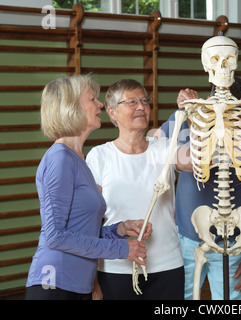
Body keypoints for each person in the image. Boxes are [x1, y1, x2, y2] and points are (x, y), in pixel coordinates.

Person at [25, 75, 151, 300]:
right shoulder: (60, 158)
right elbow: (56, 236)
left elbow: (80, 233)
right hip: (54, 283)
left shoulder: (76, 159)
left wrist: (119, 230)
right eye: (92, 99)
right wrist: (124, 249)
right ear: (71, 108)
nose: (100, 104)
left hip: (77, 285)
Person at [158, 78, 241, 300]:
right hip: (186, 238)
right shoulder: (183, 120)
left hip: (236, 241)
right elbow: (163, 154)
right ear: (209, 100)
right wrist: (189, 115)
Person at [86, 79, 191, 300]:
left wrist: (195, 113)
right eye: (131, 101)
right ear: (112, 113)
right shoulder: (99, 155)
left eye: (144, 101)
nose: (141, 107)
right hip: (116, 268)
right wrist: (92, 279)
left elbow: (199, 161)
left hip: (167, 266)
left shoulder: (164, 148)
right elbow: (89, 221)